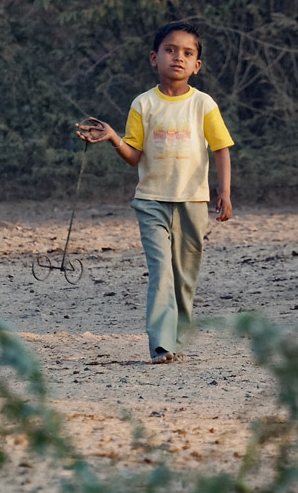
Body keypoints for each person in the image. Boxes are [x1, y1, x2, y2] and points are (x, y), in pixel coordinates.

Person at [76, 22, 233, 364]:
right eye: (170, 50)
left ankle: (177, 337)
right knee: (161, 270)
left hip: (193, 200)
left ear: (197, 66)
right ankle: (161, 344)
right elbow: (134, 155)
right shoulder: (143, 104)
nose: (178, 57)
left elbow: (221, 148)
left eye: (187, 53)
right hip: (151, 201)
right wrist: (113, 138)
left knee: (185, 274)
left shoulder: (203, 104)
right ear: (154, 57)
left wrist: (225, 192)